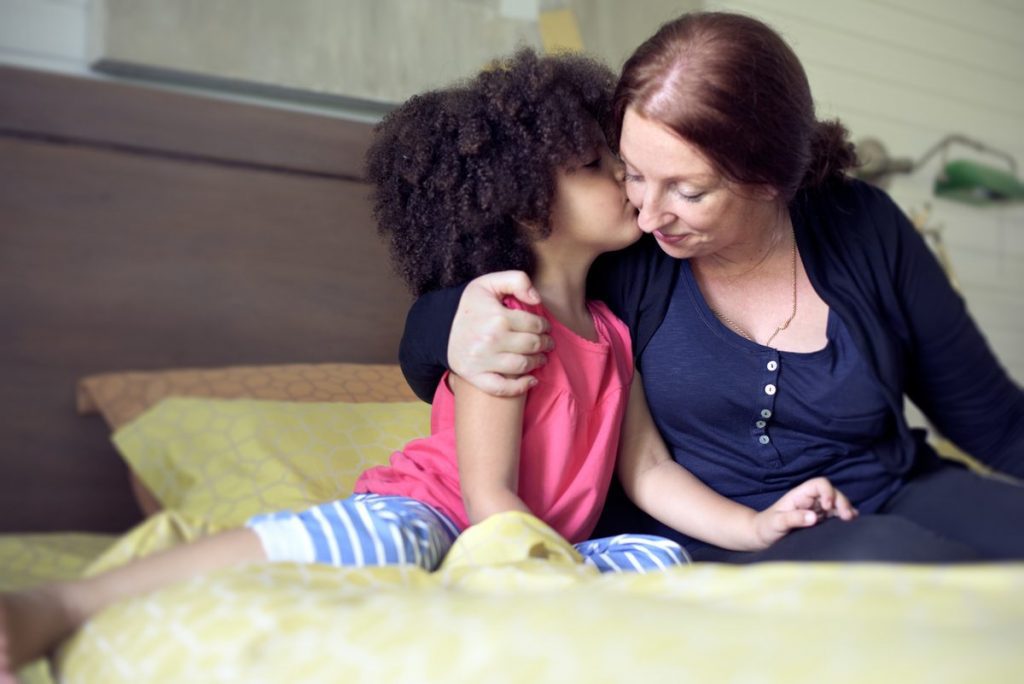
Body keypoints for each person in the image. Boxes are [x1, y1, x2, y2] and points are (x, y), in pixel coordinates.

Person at [1, 49, 699, 676]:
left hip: (537, 534)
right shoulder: (501, 322)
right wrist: (545, 567)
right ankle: (66, 601)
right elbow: (488, 500)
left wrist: (755, 526)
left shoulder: (613, 325)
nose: (628, 181)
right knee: (381, 538)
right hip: (442, 510)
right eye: (596, 166)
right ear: (522, 204)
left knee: (656, 561)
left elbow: (646, 469)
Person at [399, 12, 1024, 564]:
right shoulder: (625, 247)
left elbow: (993, 419)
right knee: (903, 564)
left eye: (689, 191)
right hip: (715, 534)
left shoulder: (861, 225)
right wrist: (452, 321)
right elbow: (476, 308)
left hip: (892, 486)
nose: (647, 211)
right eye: (634, 172)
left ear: (770, 178)